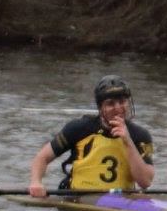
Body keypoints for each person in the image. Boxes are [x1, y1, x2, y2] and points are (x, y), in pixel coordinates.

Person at [27, 76, 155, 196]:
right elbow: (42, 158)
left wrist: (128, 141)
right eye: (110, 103)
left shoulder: (140, 135)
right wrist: (36, 182)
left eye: (122, 102)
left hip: (120, 200)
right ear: (100, 108)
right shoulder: (78, 128)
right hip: (77, 199)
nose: (118, 108)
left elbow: (145, 182)